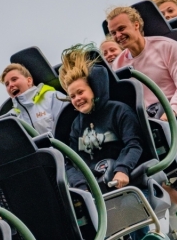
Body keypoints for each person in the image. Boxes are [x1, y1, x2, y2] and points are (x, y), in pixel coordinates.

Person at [108, 5, 177, 239]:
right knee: (143, 175)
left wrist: (172, 110)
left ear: (136, 25)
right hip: (150, 131)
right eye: (113, 32)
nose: (117, 36)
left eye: (121, 29)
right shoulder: (118, 65)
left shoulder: (167, 47)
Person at [59, 45, 144, 190]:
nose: (77, 98)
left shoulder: (119, 111)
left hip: (128, 181)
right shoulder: (76, 125)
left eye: (80, 92)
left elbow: (134, 144)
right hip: (96, 189)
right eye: (72, 96)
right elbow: (73, 163)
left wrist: (122, 170)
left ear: (94, 89)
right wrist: (81, 186)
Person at [0, 62, 66, 134]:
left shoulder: (53, 97)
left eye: (14, 79)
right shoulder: (11, 117)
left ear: (29, 81)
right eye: (7, 84)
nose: (10, 85)